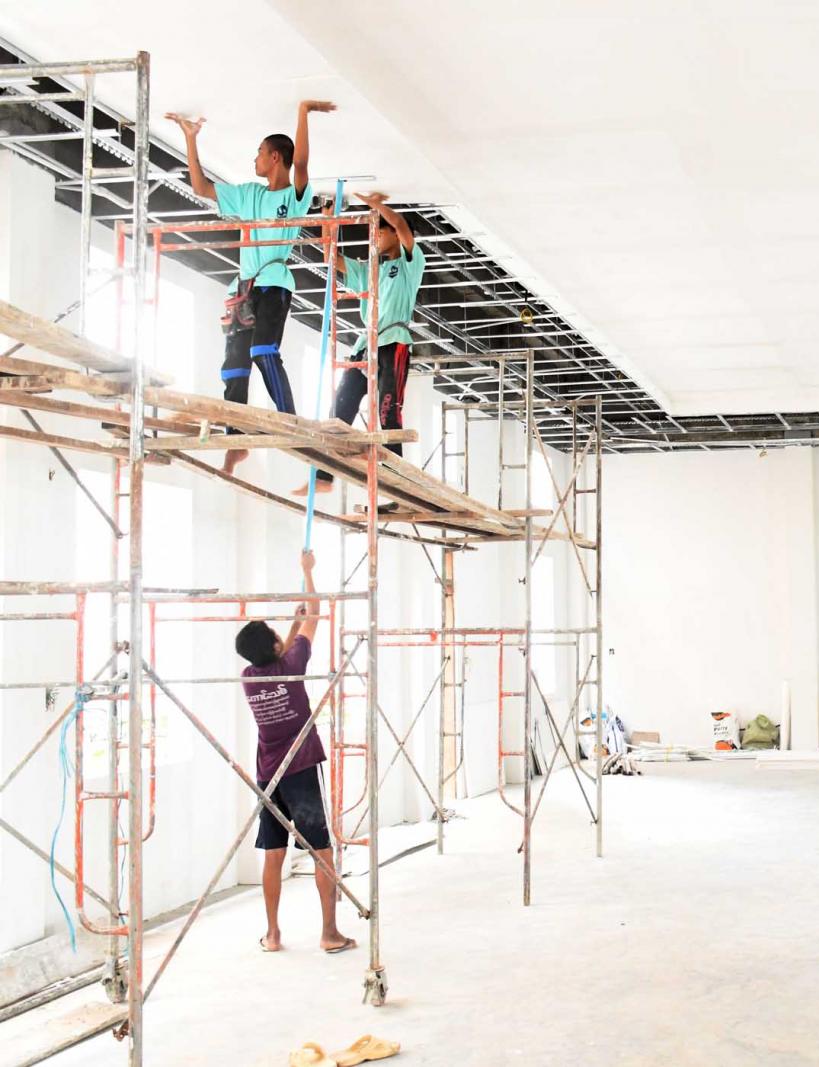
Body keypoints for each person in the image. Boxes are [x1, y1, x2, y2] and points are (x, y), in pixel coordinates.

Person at [166, 101, 336, 476]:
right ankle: (236, 439)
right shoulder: (248, 195)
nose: (254, 159)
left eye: (259, 152)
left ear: (275, 157)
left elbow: (301, 163)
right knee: (234, 366)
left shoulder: (293, 197)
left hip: (274, 283)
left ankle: (288, 420)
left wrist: (303, 112)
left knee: (263, 350)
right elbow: (200, 186)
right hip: (245, 288)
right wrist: (190, 139)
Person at [235, 549, 355, 954]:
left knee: (273, 854)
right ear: (273, 645)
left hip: (268, 775)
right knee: (322, 851)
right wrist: (308, 572)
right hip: (300, 770)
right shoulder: (292, 665)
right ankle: (329, 933)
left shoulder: (249, 677)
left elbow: (277, 656)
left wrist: (290, 625)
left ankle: (272, 934)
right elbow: (316, 613)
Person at [304, 193, 427, 493]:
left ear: (394, 236)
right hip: (365, 346)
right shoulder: (371, 269)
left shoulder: (410, 265)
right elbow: (330, 258)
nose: (377, 237)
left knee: (388, 412)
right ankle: (323, 478)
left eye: (381, 232)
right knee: (340, 409)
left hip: (393, 342)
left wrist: (374, 205)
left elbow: (401, 226)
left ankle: (396, 484)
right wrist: (328, 219)